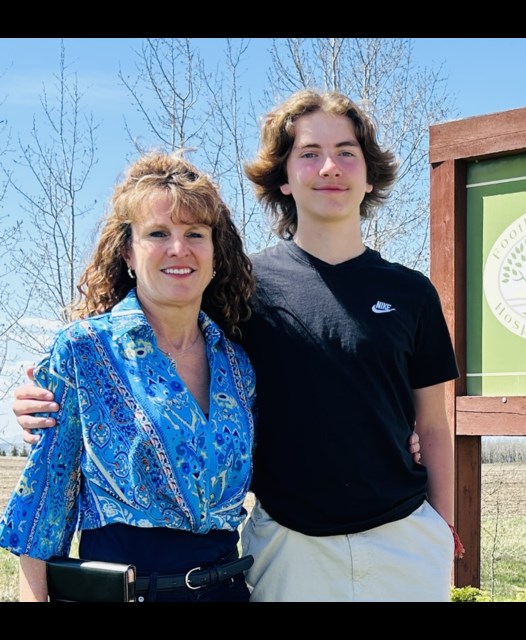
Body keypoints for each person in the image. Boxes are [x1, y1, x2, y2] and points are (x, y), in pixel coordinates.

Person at [14, 90, 460, 602]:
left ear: (368, 172)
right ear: (284, 177)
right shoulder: (248, 293)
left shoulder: (406, 293)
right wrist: (37, 400)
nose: (329, 166)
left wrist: (440, 528)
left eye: (346, 151)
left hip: (394, 540)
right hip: (287, 548)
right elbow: (144, 357)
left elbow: (430, 423)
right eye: (309, 153)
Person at [0, 153, 258, 602]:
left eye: (194, 234)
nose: (178, 248)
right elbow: (43, 510)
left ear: (216, 252)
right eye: (158, 233)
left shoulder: (238, 366)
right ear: (128, 252)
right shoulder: (84, 352)